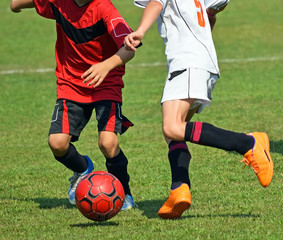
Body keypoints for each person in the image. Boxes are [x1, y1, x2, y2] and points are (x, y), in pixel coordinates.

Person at [124, 0, 273, 219]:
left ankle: (249, 143)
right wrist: (208, 18)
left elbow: (156, 2)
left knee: (173, 127)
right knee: (175, 130)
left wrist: (140, 31)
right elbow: (219, 4)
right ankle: (179, 189)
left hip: (187, 62)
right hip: (204, 62)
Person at [10, 0, 138, 210]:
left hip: (107, 82)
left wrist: (105, 66)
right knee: (57, 143)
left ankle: (124, 193)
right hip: (71, 83)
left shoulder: (104, 8)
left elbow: (129, 48)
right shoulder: (59, 2)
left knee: (108, 143)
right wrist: (17, 5)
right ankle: (82, 169)